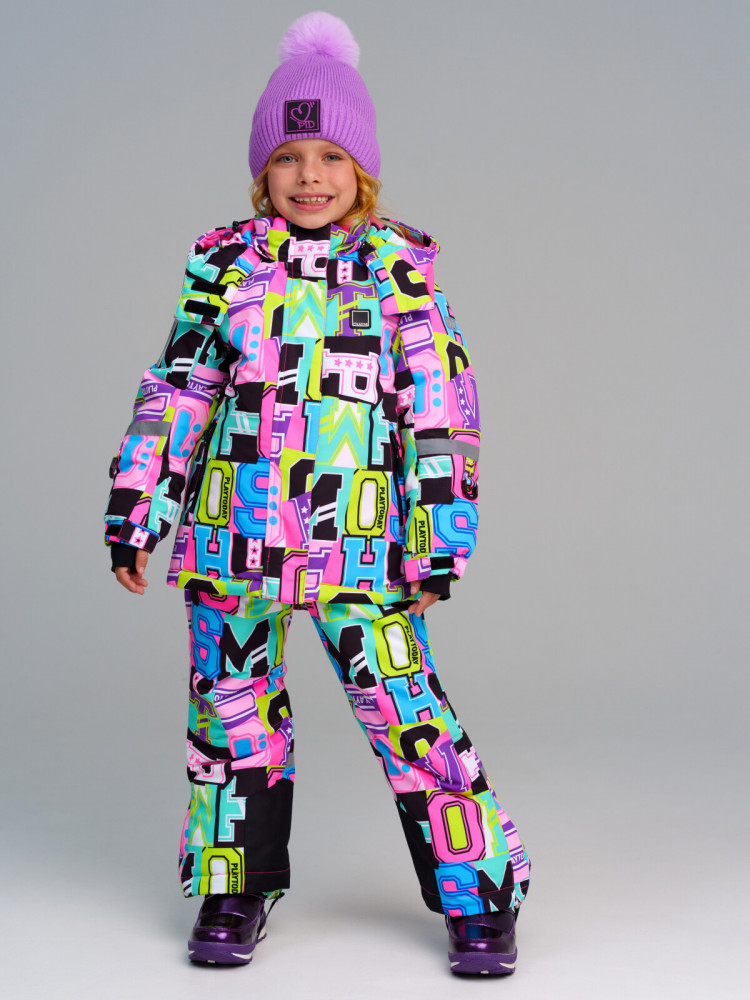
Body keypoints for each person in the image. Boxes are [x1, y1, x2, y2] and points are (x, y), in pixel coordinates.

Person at [105, 10, 530, 976]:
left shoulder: (399, 273)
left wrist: (441, 537)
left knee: (408, 717)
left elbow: (440, 413)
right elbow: (180, 388)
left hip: (360, 547)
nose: (309, 176)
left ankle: (480, 894)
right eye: (288, 157)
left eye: (331, 156)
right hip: (231, 536)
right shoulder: (224, 269)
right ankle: (235, 885)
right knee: (231, 716)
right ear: (262, 173)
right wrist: (139, 509)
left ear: (362, 170)